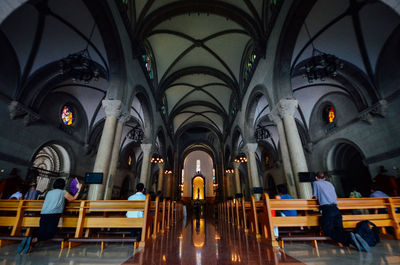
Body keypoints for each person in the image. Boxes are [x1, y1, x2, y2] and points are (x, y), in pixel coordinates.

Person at [16, 178, 82, 254]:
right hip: (54, 213)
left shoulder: (49, 192)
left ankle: (29, 238)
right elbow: (73, 199)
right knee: (50, 234)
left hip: (44, 213)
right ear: (63, 185)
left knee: (42, 231)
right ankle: (32, 239)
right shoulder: (63, 192)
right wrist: (79, 189)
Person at [313, 171, 370, 252]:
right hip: (336, 208)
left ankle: (350, 239)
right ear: (324, 178)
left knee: (327, 229)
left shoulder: (316, 183)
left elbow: (315, 196)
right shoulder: (330, 184)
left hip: (327, 209)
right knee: (339, 229)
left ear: (316, 178)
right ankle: (353, 238)